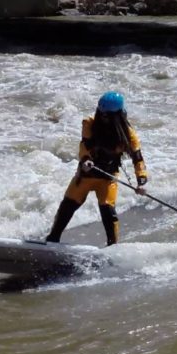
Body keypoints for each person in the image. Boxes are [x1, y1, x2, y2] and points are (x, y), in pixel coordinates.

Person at [46, 91, 147, 246]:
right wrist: (85, 160)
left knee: (108, 211)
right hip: (86, 176)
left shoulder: (129, 134)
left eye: (106, 115)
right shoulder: (89, 124)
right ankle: (52, 240)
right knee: (67, 206)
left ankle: (112, 247)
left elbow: (138, 159)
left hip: (108, 179)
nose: (102, 117)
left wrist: (141, 181)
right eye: (101, 112)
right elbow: (84, 146)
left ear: (117, 115)